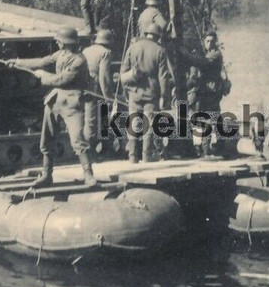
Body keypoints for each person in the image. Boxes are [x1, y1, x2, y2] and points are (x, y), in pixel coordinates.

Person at [10, 27, 97, 186]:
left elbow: (61, 80)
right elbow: (43, 61)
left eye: (59, 40)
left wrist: (43, 76)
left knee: (78, 139)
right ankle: (46, 175)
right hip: (54, 100)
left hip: (72, 103)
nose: (56, 42)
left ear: (65, 43)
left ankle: (89, 175)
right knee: (47, 138)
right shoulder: (61, 54)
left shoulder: (79, 60)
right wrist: (18, 62)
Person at [120, 25, 174, 163]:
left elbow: (123, 72)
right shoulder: (160, 50)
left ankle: (132, 156)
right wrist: (164, 96)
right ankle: (146, 155)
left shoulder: (133, 47)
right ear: (158, 36)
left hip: (134, 91)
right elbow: (163, 77)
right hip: (152, 92)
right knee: (149, 124)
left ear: (146, 33)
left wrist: (126, 88)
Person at [182, 30, 227, 157]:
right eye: (207, 41)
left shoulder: (216, 55)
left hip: (211, 92)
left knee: (208, 119)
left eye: (212, 41)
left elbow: (201, 63)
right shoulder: (208, 54)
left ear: (216, 42)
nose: (210, 44)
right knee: (215, 119)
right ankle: (219, 146)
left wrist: (185, 54)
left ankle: (206, 150)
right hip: (208, 92)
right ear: (204, 42)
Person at [81, 27, 115, 156]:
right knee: (98, 118)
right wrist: (109, 98)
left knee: (87, 119)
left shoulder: (86, 50)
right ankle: (91, 153)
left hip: (83, 86)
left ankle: (88, 150)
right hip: (95, 88)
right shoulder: (105, 53)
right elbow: (104, 78)